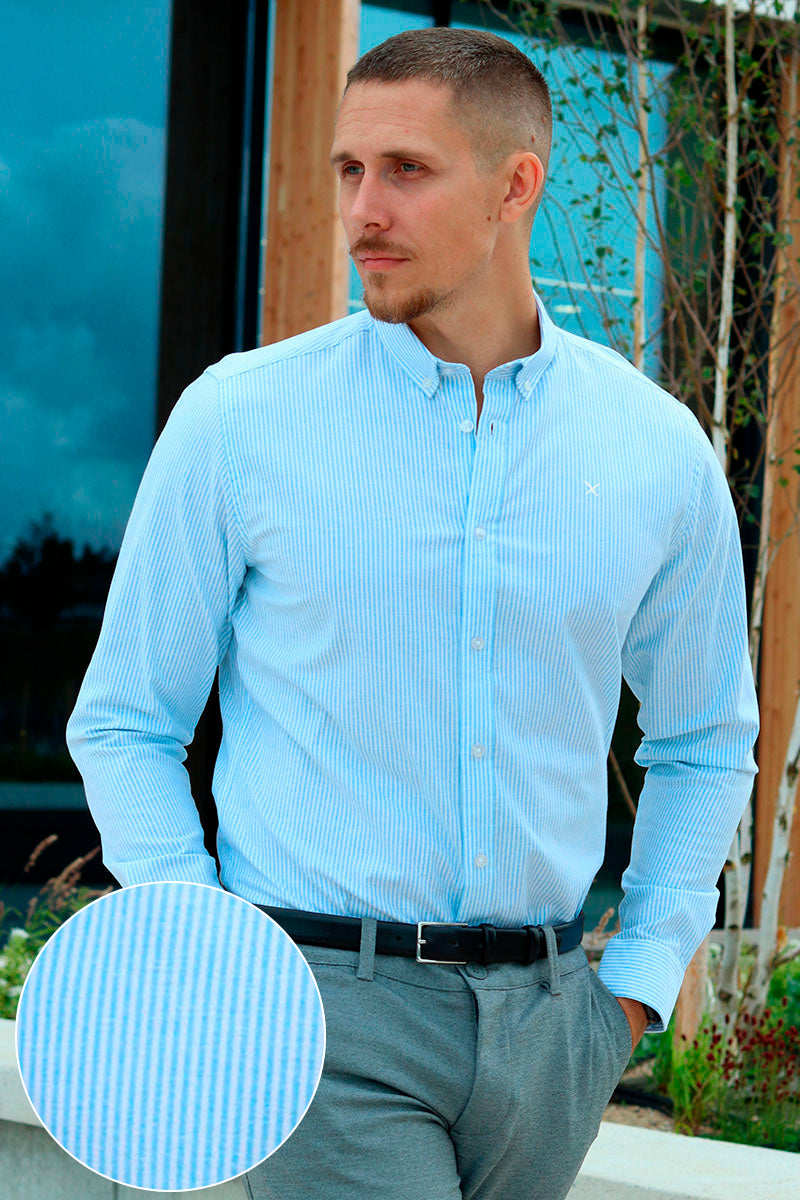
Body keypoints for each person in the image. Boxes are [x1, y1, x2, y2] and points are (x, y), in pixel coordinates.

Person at [66, 25, 759, 1200]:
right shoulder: (240, 421)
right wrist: (209, 955)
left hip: (553, 1027)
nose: (362, 211)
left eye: (405, 170)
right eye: (348, 169)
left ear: (514, 185)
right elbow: (126, 719)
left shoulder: (654, 450)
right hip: (319, 1013)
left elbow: (702, 740)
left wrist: (631, 990)